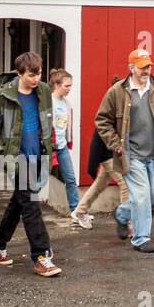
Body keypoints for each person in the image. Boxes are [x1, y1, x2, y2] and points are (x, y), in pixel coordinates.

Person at [0, 52, 62, 277]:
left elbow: (48, 121)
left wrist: (51, 149)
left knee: (20, 203)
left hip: (39, 157)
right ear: (19, 74)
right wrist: (3, 153)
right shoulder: (4, 95)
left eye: (38, 74)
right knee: (31, 205)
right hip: (17, 160)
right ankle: (41, 255)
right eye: (31, 75)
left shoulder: (44, 91)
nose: (36, 79)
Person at [94, 48, 154, 254]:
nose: (146, 70)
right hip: (130, 155)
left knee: (152, 194)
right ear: (131, 68)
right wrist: (116, 144)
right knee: (141, 197)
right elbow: (102, 120)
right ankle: (141, 239)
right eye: (141, 67)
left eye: (148, 66)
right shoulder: (117, 91)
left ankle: (122, 214)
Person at [71, 125, 131, 233]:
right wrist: (92, 167)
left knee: (100, 184)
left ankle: (80, 210)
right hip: (109, 158)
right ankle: (127, 221)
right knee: (125, 184)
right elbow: (96, 142)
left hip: (110, 156)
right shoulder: (105, 120)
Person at [48, 68, 89, 229]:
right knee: (36, 179)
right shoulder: (48, 102)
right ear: (57, 84)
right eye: (66, 86)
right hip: (48, 147)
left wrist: (67, 141)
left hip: (62, 147)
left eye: (71, 86)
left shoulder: (66, 103)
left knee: (71, 179)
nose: (69, 89)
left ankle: (75, 211)